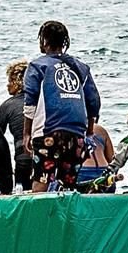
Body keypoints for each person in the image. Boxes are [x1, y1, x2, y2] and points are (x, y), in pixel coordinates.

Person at [22, 21, 101, 192]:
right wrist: (89, 132)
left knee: (41, 179)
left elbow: (30, 103)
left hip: (48, 131)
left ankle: (40, 216)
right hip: (76, 134)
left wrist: (27, 133)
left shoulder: (38, 66)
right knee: (69, 182)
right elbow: (93, 103)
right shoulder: (81, 68)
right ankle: (66, 216)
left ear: (44, 41)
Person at [0, 58, 32, 191]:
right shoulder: (40, 100)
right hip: (42, 156)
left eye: (10, 81)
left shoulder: (8, 105)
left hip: (22, 158)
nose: (7, 85)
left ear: (17, 83)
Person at [77, 122, 115, 191]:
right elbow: (111, 159)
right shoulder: (101, 130)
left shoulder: (72, 128)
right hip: (104, 170)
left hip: (82, 172)